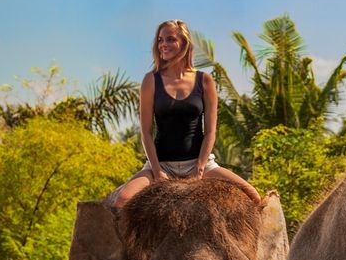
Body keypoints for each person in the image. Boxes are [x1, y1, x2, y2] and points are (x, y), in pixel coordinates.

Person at [111, 19, 261, 207]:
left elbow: (210, 132)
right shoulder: (151, 80)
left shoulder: (205, 80)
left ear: (184, 42)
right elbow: (146, 133)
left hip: (199, 163)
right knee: (122, 201)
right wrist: (157, 171)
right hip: (162, 164)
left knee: (253, 196)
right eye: (160, 40)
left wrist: (199, 168)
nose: (163, 44)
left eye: (170, 39)